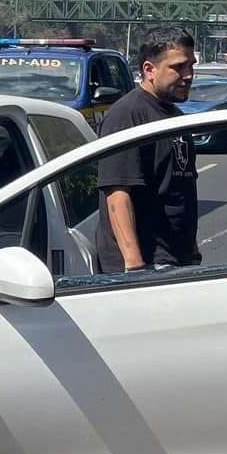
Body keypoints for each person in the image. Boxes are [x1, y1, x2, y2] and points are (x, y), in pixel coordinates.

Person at [95, 26, 198, 273]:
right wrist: (134, 266)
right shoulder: (128, 114)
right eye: (178, 67)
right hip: (147, 265)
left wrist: (191, 251)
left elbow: (180, 190)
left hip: (175, 259)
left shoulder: (173, 113)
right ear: (149, 70)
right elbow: (117, 194)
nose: (189, 75)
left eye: (191, 66)